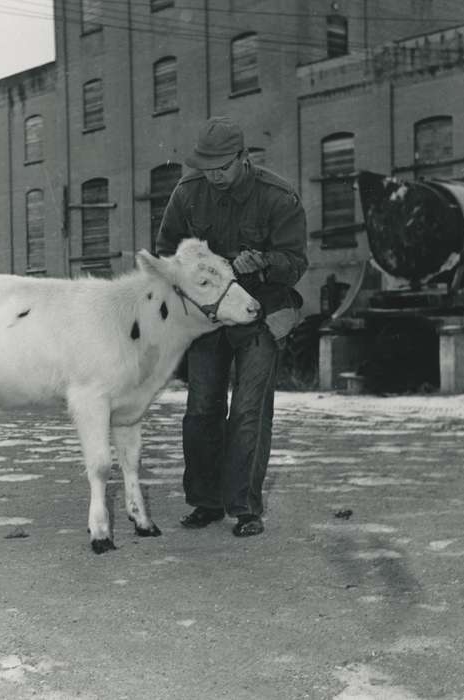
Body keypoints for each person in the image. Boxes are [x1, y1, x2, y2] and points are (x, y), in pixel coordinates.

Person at [156, 116, 308, 537]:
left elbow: (295, 262)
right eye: (207, 167)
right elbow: (167, 254)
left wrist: (264, 261)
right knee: (202, 409)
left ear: (243, 158)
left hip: (261, 312)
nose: (214, 176)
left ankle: (245, 507)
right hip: (208, 320)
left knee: (248, 412)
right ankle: (205, 501)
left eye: (222, 167)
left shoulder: (278, 197)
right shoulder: (187, 195)